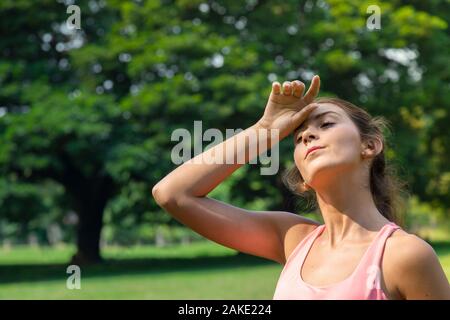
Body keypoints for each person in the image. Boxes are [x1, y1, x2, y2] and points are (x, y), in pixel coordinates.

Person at [152, 75, 450, 299]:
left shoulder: (404, 255)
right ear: (303, 180)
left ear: (369, 145)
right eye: (297, 137)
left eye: (326, 124)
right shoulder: (293, 240)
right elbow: (173, 194)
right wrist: (264, 131)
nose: (307, 135)